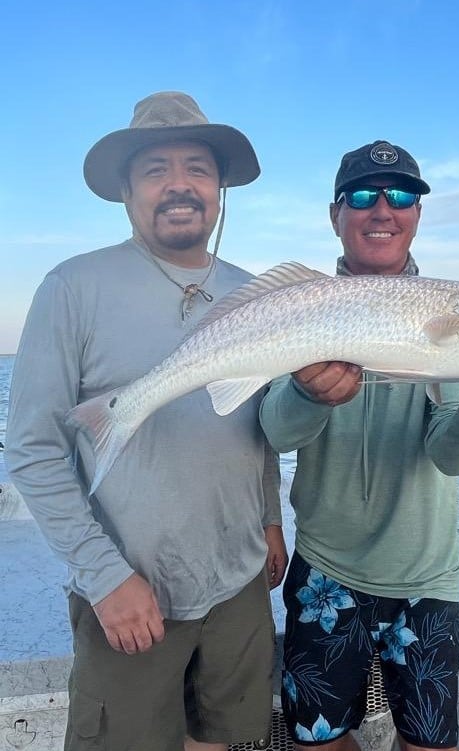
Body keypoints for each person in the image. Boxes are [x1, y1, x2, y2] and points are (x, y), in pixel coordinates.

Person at [6, 91, 288, 751]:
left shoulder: (261, 293)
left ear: (220, 186)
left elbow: (262, 420)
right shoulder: (71, 287)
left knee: (219, 737)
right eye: (155, 169)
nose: (179, 185)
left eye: (197, 166)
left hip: (239, 582)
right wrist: (104, 576)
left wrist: (270, 514)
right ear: (126, 191)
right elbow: (33, 449)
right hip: (132, 586)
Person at [259, 140, 459, 751]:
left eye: (400, 197)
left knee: (429, 744)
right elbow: (275, 432)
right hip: (325, 567)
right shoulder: (299, 307)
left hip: (426, 574)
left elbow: (449, 456)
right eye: (364, 195)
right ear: (335, 214)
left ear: (418, 215)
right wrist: (308, 395)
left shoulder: (453, 317)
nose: (382, 210)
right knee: (318, 741)